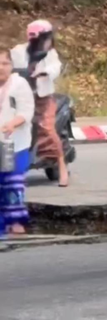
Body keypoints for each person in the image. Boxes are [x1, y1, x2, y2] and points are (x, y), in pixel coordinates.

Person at [10, 20, 68, 187]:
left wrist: (45, 72)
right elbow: (6, 64)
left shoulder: (50, 54)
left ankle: (62, 166)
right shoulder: (18, 51)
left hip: (43, 99)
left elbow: (55, 67)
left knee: (46, 128)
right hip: (21, 98)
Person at [0, 49, 35, 236]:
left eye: (4, 63)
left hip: (14, 143)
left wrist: (14, 123)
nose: (1, 68)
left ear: (11, 65)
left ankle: (15, 220)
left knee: (12, 182)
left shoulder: (19, 84)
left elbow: (26, 110)